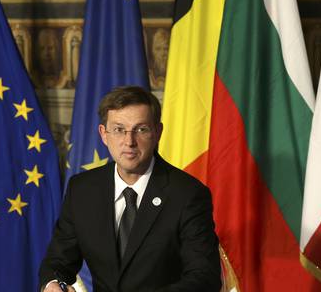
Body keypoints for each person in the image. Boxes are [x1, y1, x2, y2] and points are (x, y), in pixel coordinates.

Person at [39, 86, 221, 291]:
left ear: (158, 132)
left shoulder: (187, 194)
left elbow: (205, 277)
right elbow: (58, 261)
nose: (129, 142)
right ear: (104, 134)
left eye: (141, 129)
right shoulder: (82, 190)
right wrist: (54, 283)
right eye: (118, 130)